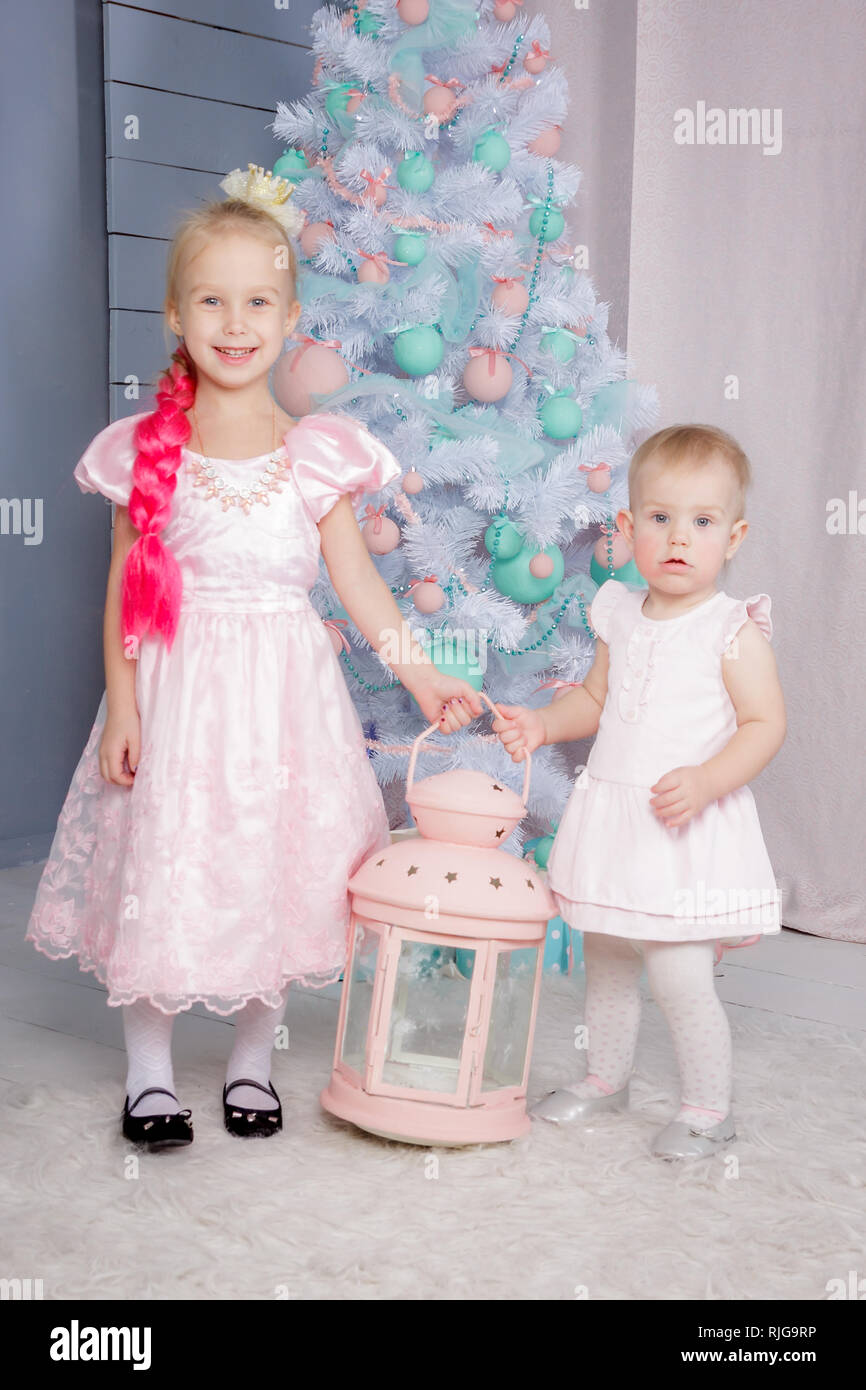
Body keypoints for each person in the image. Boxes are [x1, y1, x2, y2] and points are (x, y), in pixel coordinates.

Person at [26, 166, 482, 1150]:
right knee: (168, 862)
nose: (236, 322)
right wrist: (124, 708)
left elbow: (359, 586)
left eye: (259, 301)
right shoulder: (147, 447)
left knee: (281, 865)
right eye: (213, 300)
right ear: (176, 315)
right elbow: (122, 589)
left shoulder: (315, 450)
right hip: (177, 693)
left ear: (289, 317)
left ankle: (249, 1059)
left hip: (285, 704)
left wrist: (422, 671)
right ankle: (149, 1072)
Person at [493, 424, 786, 1160]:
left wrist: (708, 778)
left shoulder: (730, 629)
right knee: (611, 960)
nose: (679, 538)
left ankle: (708, 1108)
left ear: (735, 535)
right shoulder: (619, 612)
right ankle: (606, 1076)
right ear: (627, 528)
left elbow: (764, 723)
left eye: (702, 522)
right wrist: (541, 724)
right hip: (618, 820)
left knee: (680, 973)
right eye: (659, 518)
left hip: (683, 826)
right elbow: (594, 701)